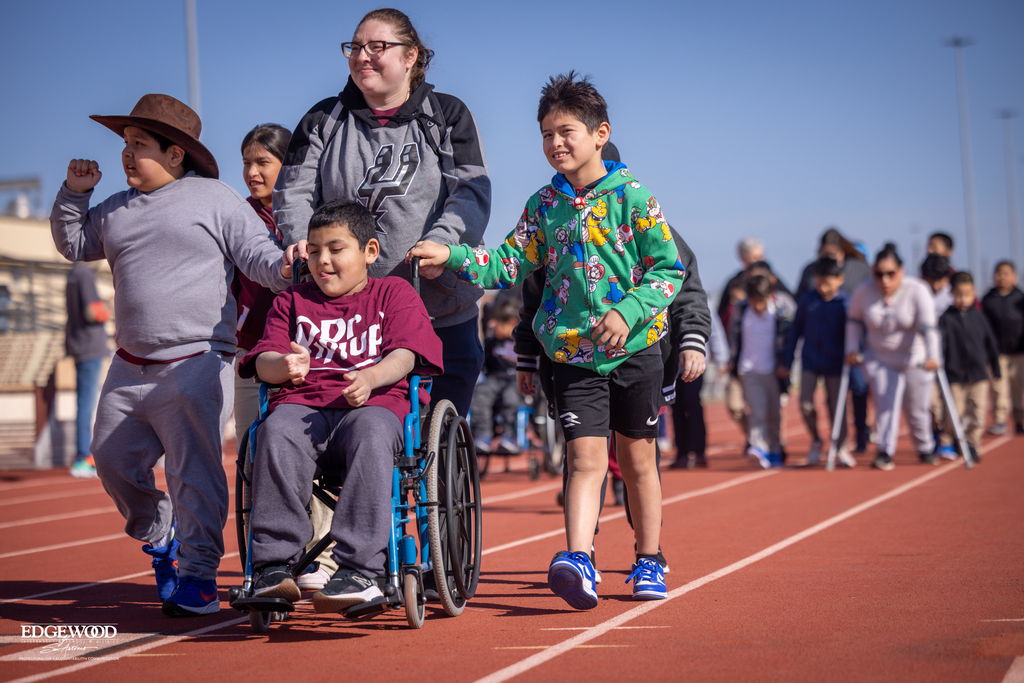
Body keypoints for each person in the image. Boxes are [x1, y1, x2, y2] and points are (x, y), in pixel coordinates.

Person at [409, 72, 684, 607]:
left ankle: (648, 558)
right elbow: (508, 262)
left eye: (567, 131)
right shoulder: (542, 206)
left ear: (600, 133)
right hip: (573, 356)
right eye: (546, 134)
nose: (555, 143)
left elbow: (667, 272)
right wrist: (456, 256)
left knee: (637, 460)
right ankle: (578, 559)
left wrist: (628, 312)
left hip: (637, 351)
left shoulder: (635, 197)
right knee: (582, 461)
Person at [51, 94, 293, 616]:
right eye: (126, 144)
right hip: (128, 365)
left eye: (140, 144)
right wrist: (75, 193)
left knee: (194, 475)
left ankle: (200, 578)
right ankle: (160, 536)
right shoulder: (114, 209)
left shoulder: (213, 197)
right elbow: (72, 244)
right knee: (113, 461)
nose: (127, 154)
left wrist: (290, 267)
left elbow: (258, 257)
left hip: (198, 361)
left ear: (176, 153)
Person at [275, 7, 490, 420]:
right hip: (347, 321)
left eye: (377, 47)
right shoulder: (323, 119)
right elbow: (293, 191)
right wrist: (300, 239)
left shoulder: (448, 115)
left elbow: (471, 192)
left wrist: (443, 243)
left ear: (410, 56)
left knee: (435, 440)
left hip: (440, 309)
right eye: (354, 48)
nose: (362, 56)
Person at [239, 200, 443, 612]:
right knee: (274, 430)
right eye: (313, 251)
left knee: (371, 432)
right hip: (302, 407)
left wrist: (370, 377)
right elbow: (261, 362)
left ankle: (360, 570)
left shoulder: (393, 293)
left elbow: (406, 354)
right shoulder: (291, 301)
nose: (322, 261)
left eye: (335, 249)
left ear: (369, 252)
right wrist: (283, 364)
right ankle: (273, 567)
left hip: (373, 406)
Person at [845, 244, 941, 471]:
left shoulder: (917, 290)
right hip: (880, 358)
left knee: (917, 409)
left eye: (891, 274)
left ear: (902, 271)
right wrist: (850, 349)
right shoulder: (863, 292)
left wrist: (933, 356)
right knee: (885, 405)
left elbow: (929, 327)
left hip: (914, 358)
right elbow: (854, 323)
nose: (885, 280)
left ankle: (924, 447)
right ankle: (885, 450)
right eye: (879, 274)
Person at [781, 258, 855, 467]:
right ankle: (815, 439)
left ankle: (841, 446)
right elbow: (796, 331)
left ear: (839, 280)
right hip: (810, 361)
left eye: (828, 283)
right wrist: (788, 361)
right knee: (805, 403)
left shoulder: (845, 303)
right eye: (819, 282)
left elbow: (854, 334)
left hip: (836, 363)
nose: (823, 288)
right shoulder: (807, 300)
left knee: (836, 406)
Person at [728, 274, 796, 468]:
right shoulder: (741, 311)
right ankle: (758, 448)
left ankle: (775, 449)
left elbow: (790, 339)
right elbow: (733, 337)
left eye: (762, 301)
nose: (758, 306)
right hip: (749, 370)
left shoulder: (782, 311)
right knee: (757, 411)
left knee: (774, 414)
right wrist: (732, 360)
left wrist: (787, 365)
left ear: (770, 296)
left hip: (774, 371)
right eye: (754, 301)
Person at [936, 272, 1000, 460]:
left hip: (978, 375)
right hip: (955, 375)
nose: (963, 299)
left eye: (968, 294)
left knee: (978, 412)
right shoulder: (946, 318)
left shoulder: (979, 317)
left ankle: (972, 444)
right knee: (954, 411)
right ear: (951, 294)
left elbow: (991, 344)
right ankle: (950, 441)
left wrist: (995, 367)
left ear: (974, 294)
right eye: (958, 294)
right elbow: (942, 346)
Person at [65, 262, 110, 478]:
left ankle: (84, 455)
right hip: (90, 347)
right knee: (87, 405)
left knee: (84, 404)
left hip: (79, 345)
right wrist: (110, 306)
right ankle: (84, 456)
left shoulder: (73, 274)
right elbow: (93, 313)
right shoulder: (85, 274)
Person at [671, 304, 727, 469]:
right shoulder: (664, 291)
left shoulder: (701, 299)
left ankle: (699, 451)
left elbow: (715, 331)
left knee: (693, 404)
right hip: (672, 366)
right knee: (676, 408)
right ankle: (682, 453)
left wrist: (721, 359)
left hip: (695, 364)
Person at [471, 300, 525, 455]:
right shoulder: (492, 342)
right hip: (495, 379)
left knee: (510, 396)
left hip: (516, 379)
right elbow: (484, 364)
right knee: (480, 393)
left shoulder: (523, 342)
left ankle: (508, 437)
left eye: (499, 322)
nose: (493, 324)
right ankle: (482, 437)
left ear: (511, 323)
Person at [981, 261, 1024, 435]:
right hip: (997, 352)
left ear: (1014, 277)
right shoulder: (988, 299)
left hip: (1019, 352)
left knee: (1017, 388)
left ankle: (1019, 421)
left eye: (1006, 273)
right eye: (998, 273)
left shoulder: (1020, 299)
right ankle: (999, 421)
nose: (1002, 277)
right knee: (998, 387)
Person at [794, 227, 872, 301]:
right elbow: (799, 299)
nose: (829, 259)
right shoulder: (809, 271)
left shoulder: (859, 269)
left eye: (832, 254)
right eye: (825, 254)